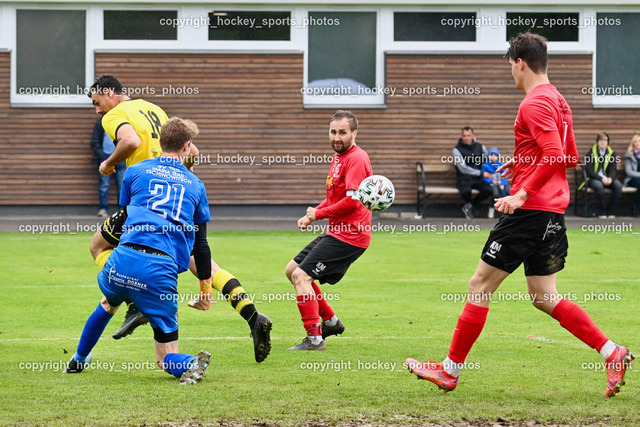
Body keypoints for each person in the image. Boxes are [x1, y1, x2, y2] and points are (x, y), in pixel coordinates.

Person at [407, 32, 634, 397]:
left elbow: (555, 154)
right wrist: (525, 161)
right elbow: (568, 156)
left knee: (479, 286)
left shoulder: (533, 103)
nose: (510, 73)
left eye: (510, 66)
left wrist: (524, 191)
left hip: (530, 211)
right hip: (552, 214)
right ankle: (612, 352)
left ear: (521, 63)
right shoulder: (559, 101)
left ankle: (449, 371)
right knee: (544, 297)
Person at [87, 75, 272, 363]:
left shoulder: (114, 115)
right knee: (201, 262)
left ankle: (132, 301)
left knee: (99, 247)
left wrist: (107, 163)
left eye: (97, 102)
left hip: (142, 199)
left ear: (108, 93)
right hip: (176, 201)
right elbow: (193, 152)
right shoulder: (155, 109)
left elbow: (130, 140)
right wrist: (182, 181)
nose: (98, 110)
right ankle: (250, 313)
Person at [64, 117, 212, 384]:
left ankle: (78, 359)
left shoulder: (135, 171)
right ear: (187, 146)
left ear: (159, 142)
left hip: (122, 260)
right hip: (160, 271)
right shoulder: (196, 185)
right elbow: (201, 245)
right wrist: (205, 289)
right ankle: (190, 363)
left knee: (108, 303)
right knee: (164, 357)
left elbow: (124, 215)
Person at [285, 110, 372, 350]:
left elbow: (353, 201)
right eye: (333, 132)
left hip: (351, 235)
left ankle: (314, 339)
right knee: (292, 269)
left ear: (354, 133)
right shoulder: (338, 157)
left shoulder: (356, 158)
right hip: (337, 231)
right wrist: (311, 216)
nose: (337, 137)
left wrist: (319, 214)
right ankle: (331, 322)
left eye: (342, 132)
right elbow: (335, 197)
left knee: (301, 276)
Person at [453, 126, 494, 219]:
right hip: (463, 178)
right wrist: (481, 173)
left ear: (473, 136)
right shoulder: (456, 150)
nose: (466, 138)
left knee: (489, 190)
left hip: (478, 179)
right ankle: (470, 207)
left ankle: (469, 206)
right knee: (466, 191)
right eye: (464, 136)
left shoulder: (481, 147)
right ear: (461, 136)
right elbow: (463, 168)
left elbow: (487, 161)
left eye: (468, 135)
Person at [90, 116, 126, 217]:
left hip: (122, 158)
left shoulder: (122, 121)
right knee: (104, 185)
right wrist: (102, 156)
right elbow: (95, 141)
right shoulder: (101, 122)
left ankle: (121, 211)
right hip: (105, 157)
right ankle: (103, 209)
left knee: (121, 186)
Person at [583, 132, 622, 218]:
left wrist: (610, 178)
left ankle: (610, 210)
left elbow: (613, 169)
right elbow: (589, 171)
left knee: (618, 186)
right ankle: (602, 211)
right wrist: (601, 179)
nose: (603, 142)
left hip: (607, 179)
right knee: (598, 186)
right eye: (601, 140)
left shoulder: (612, 153)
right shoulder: (590, 153)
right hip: (593, 179)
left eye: (605, 140)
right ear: (597, 142)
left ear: (608, 142)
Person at [623, 132, 640, 216]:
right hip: (632, 178)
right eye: (635, 141)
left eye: (639, 141)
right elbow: (629, 171)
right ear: (633, 144)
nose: (638, 143)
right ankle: (636, 207)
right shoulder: (629, 155)